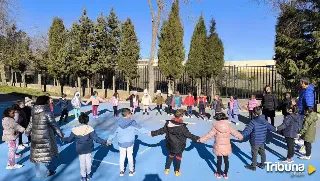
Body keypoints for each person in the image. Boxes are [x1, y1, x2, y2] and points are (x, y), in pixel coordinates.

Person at [150, 109, 200, 177]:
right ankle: (177, 171)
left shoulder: (168, 123)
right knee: (178, 157)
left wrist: (153, 133)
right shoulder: (182, 127)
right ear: (181, 116)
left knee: (170, 156)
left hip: (171, 144)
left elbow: (161, 130)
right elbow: (189, 135)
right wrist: (198, 138)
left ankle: (167, 169)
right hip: (179, 145)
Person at [25, 95, 64, 178]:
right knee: (43, 154)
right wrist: (60, 134)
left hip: (35, 136)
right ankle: (43, 173)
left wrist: (27, 131)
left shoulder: (34, 111)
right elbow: (54, 125)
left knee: (37, 154)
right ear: (45, 102)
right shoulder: (47, 112)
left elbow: (31, 123)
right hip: (45, 136)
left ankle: (39, 172)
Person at [62, 113, 107, 181]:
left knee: (82, 163)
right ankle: (89, 174)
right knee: (88, 161)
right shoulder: (90, 129)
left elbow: (69, 140)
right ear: (87, 121)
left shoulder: (75, 129)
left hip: (80, 149)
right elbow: (96, 139)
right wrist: (105, 142)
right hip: (89, 148)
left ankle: (83, 177)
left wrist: (62, 139)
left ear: (79, 121)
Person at [198, 112, 243, 179]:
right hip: (226, 146)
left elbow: (208, 135)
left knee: (219, 161)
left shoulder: (215, 127)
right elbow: (234, 132)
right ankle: (225, 174)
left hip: (218, 146)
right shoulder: (228, 126)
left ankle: (218, 173)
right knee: (226, 160)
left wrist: (201, 140)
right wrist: (240, 136)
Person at [107, 108, 150, 177]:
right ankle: (131, 170)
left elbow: (113, 133)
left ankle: (121, 171)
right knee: (130, 156)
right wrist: (149, 132)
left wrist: (109, 140)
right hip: (130, 143)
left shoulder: (118, 123)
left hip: (121, 143)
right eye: (130, 113)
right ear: (128, 115)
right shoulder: (132, 122)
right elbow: (140, 128)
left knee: (122, 156)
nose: (131, 114)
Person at [241, 106, 276, 171]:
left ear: (254, 114)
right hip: (262, 140)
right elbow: (271, 127)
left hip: (255, 141)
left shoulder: (253, 122)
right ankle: (263, 164)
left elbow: (247, 130)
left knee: (254, 153)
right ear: (261, 112)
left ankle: (253, 166)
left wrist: (241, 135)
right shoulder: (265, 120)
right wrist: (275, 128)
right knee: (262, 152)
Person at [296, 77, 315, 146]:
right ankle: (301, 138)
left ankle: (303, 141)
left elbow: (309, 102)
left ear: (304, 83)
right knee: (300, 124)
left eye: (301, 82)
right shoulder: (304, 89)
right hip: (301, 110)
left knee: (303, 126)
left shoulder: (308, 91)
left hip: (304, 112)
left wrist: (307, 111)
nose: (300, 84)